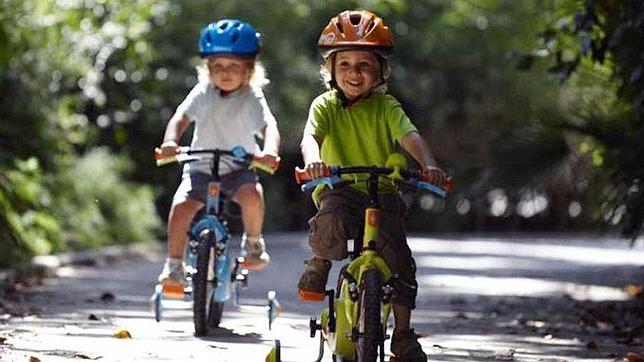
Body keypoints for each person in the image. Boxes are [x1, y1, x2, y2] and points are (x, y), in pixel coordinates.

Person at [297, 10, 447, 361]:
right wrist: (313, 161)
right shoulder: (325, 106)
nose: (354, 72)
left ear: (380, 71)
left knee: (400, 262)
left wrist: (429, 164)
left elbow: (409, 135)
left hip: (383, 191)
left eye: (364, 65)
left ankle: (404, 336)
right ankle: (320, 262)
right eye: (344, 64)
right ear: (330, 70)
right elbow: (310, 137)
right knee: (330, 218)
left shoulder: (386, 106)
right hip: (340, 186)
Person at [156, 19, 281, 292]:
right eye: (218, 66)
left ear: (248, 70)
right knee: (181, 208)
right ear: (208, 68)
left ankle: (253, 244)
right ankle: (174, 265)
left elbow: (268, 126)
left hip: (238, 168)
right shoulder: (203, 93)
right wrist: (170, 141)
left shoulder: (251, 96)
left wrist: (269, 151)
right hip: (200, 166)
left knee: (252, 196)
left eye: (233, 66)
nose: (225, 72)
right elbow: (180, 118)